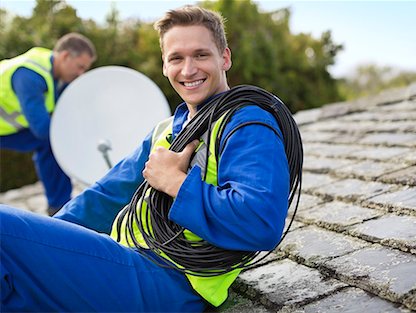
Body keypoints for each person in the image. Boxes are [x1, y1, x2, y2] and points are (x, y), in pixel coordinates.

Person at [0, 6, 293, 312]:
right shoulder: (165, 131)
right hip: (123, 261)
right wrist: (45, 246)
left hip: (169, 282)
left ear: (225, 58)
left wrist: (177, 183)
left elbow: (261, 223)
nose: (188, 69)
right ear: (165, 66)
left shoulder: (245, 123)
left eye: (201, 55)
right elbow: (103, 197)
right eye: (176, 58)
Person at [0, 33, 96, 216]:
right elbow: (42, 129)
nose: (80, 74)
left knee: (51, 142)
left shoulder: (58, 74)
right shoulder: (29, 76)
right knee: (51, 139)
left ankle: (59, 207)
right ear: (65, 56)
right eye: (80, 67)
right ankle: (58, 208)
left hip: (7, 129)